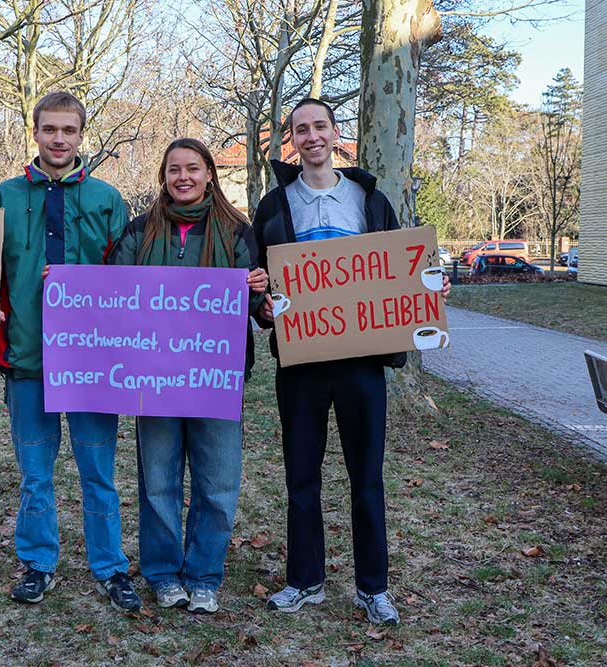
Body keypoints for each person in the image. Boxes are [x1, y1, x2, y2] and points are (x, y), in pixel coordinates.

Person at [252, 98, 450, 626]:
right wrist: (264, 308)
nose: (311, 136)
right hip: (300, 365)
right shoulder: (273, 207)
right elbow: (259, 283)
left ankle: (373, 587)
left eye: (320, 126)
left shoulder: (370, 200)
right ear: (290, 141)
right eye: (301, 129)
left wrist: (429, 288)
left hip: (362, 362)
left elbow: (401, 272)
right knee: (301, 477)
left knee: (366, 477)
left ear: (336, 134)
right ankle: (304, 581)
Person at [0, 92, 140, 612]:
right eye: (50, 130)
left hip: (94, 365)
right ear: (36, 132)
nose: (59, 139)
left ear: (81, 135)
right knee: (36, 474)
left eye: (68, 130)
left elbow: (128, 281)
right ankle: (38, 563)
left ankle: (110, 567)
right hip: (27, 359)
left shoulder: (108, 198)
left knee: (98, 472)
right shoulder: (4, 195)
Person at [109, 138, 268, 614]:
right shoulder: (140, 232)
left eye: (192, 168)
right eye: (174, 169)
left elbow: (259, 310)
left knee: (217, 483)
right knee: (158, 482)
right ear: (164, 176)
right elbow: (112, 295)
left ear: (209, 175)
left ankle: (203, 574)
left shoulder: (238, 232)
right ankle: (162, 573)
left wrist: (260, 291)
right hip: (152, 380)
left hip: (215, 380)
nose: (183, 177)